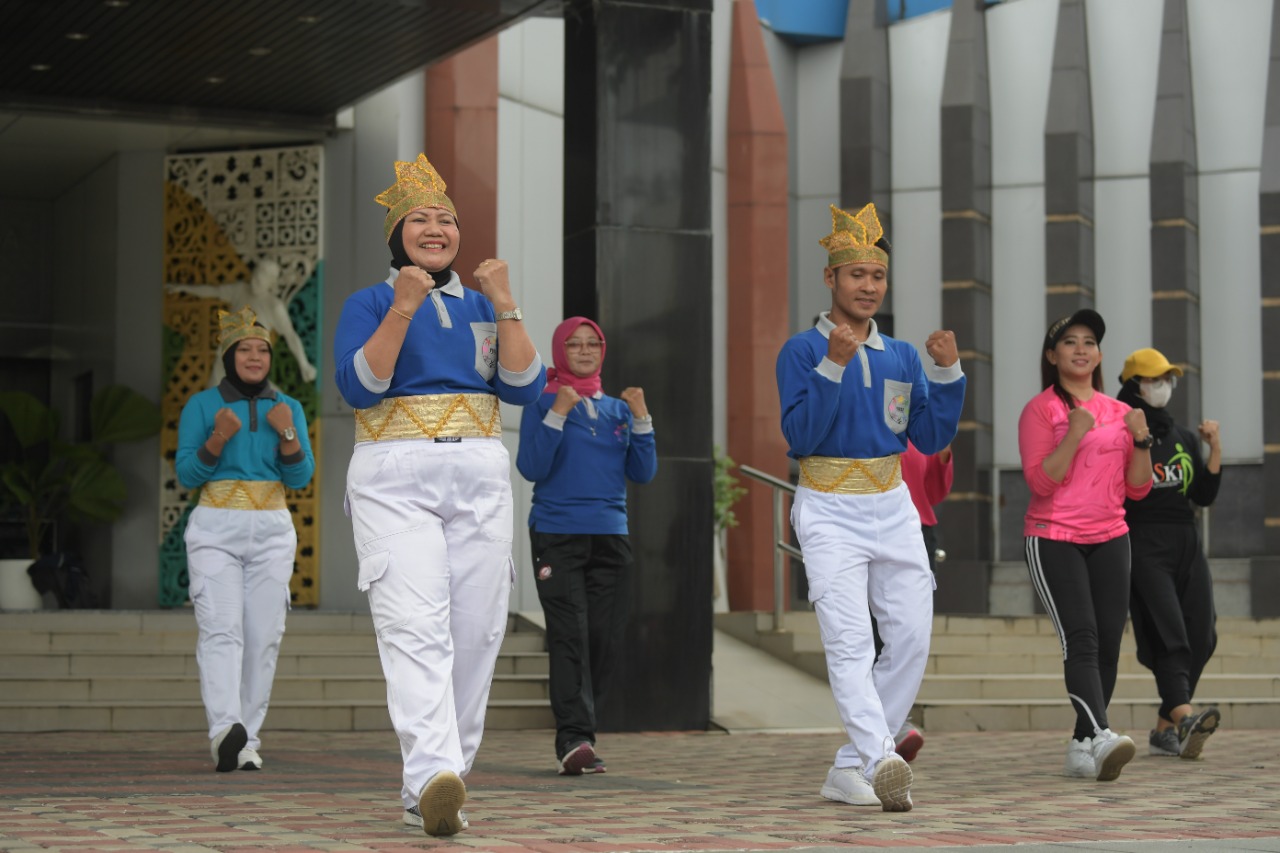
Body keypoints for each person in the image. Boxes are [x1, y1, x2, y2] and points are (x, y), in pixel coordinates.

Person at [332, 153, 545, 836]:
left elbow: (523, 387)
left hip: (479, 471)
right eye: (419, 218)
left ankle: (435, 779)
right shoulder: (368, 301)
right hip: (396, 472)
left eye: (446, 219)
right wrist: (401, 306)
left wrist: (507, 300)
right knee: (414, 624)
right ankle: (432, 772)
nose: (435, 227)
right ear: (396, 235)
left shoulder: (483, 304)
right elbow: (360, 386)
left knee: (477, 631)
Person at [777, 202, 965, 812]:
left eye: (876, 277)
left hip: (892, 503)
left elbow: (929, 438)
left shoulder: (902, 355)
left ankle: (851, 765)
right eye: (855, 275)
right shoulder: (801, 350)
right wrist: (833, 362)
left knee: (911, 635)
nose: (868, 287)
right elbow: (802, 438)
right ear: (830, 280)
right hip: (828, 507)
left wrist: (947, 373)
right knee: (850, 641)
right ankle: (882, 756)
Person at [175, 305, 315, 773]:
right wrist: (217, 437)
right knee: (222, 630)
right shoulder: (201, 404)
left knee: (264, 637)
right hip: (215, 524)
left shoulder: (288, 407)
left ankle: (247, 740)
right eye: (245, 349)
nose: (255, 357)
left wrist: (288, 433)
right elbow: (187, 473)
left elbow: (301, 476)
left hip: (273, 528)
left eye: (262, 350)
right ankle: (223, 730)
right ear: (229, 354)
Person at [515, 317, 658, 776]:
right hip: (558, 533)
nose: (583, 350)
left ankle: (582, 727)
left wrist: (642, 419)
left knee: (604, 637)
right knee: (569, 633)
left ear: (603, 350)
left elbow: (643, 473)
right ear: (559, 351)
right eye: (572, 344)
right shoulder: (541, 401)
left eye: (592, 343)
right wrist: (558, 411)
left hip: (611, 535)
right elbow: (532, 466)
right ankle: (574, 739)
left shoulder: (618, 409)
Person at [1018, 309, 1152, 783]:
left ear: (1099, 353)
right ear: (1052, 356)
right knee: (1082, 639)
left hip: (1111, 536)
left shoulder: (1120, 413)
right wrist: (1074, 433)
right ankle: (1100, 734)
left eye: (1089, 342)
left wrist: (1141, 440)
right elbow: (1040, 481)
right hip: (1055, 538)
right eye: (1070, 342)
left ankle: (1081, 743)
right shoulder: (1042, 410)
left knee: (1110, 646)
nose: (1081, 349)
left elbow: (1138, 490)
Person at [1116, 348, 1222, 759]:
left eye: (1168, 380)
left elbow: (1204, 495)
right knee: (1169, 632)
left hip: (1185, 540)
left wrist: (1215, 447)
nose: (1163, 388)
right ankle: (1183, 714)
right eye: (1153, 380)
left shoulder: (1182, 437)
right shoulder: (1119, 433)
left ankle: (1165, 727)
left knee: (1203, 634)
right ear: (1133, 387)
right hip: (1143, 542)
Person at [887, 440, 953, 763]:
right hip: (871, 527)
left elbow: (933, 492)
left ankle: (894, 719)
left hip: (918, 530)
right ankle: (888, 724)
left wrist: (942, 455)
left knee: (911, 632)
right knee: (876, 631)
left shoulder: (918, 421)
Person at [167, 258, 319, 384]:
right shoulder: (240, 290)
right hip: (226, 357)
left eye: (260, 280)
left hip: (251, 363)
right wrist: (184, 288)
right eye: (254, 276)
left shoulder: (274, 306)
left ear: (271, 283)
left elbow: (290, 336)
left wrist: (304, 364)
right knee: (213, 403)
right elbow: (213, 291)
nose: (254, 281)